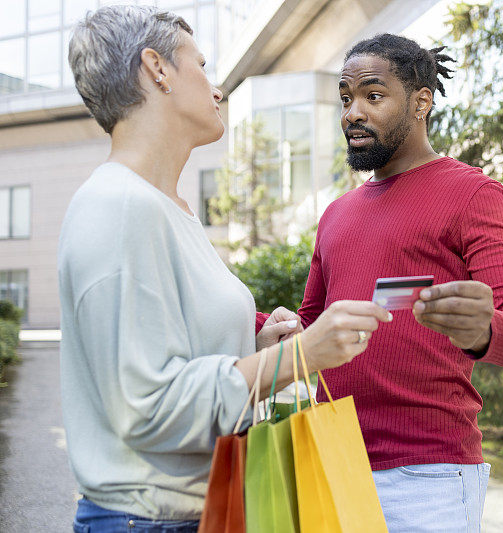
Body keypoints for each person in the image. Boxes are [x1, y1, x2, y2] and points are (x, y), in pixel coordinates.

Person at [59, 6, 391, 532]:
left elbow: (173, 358)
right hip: (147, 519)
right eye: (202, 65)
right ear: (157, 69)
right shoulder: (120, 208)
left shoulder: (167, 209)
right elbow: (149, 409)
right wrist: (298, 356)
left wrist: (260, 347)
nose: (216, 90)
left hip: (196, 508)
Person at [297, 34, 503, 532]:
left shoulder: (473, 194)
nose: (352, 113)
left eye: (373, 96)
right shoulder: (336, 215)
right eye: (346, 99)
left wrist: (485, 330)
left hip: (426, 478)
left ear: (420, 102)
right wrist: (245, 316)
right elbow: (309, 327)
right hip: (332, 463)